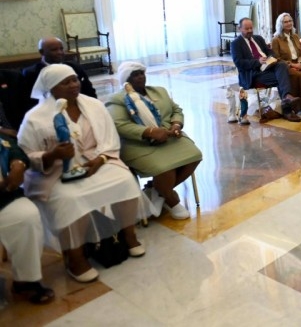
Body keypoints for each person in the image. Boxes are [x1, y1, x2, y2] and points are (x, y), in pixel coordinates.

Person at [17, 65, 148, 283]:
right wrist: (51, 155)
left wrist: (101, 159)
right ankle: (75, 258)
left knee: (124, 180)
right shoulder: (35, 118)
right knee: (69, 198)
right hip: (56, 171)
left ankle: (129, 236)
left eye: (75, 79)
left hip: (96, 161)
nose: (74, 85)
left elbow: (110, 139)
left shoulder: (94, 105)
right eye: (66, 82)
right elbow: (24, 155)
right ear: (52, 87)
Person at [105, 62, 203, 220]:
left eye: (141, 73)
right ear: (126, 79)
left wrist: (176, 124)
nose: (140, 77)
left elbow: (176, 110)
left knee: (195, 156)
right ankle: (171, 200)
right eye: (135, 75)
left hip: (170, 138)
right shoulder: (117, 99)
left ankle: (157, 191)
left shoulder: (159, 91)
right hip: (139, 144)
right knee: (165, 168)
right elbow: (119, 125)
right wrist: (149, 132)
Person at [0, 106, 55, 304]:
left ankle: (25, 280)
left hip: (3, 196)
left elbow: (10, 145)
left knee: (26, 216)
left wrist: (18, 163)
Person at [230, 17, 301, 123]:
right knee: (284, 78)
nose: (250, 31)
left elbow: (270, 52)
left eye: (251, 28)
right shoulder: (236, 44)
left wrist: (270, 58)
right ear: (239, 29)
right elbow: (239, 63)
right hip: (253, 73)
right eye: (246, 29)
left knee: (282, 65)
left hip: (268, 67)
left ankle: (286, 99)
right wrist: (257, 62)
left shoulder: (258, 38)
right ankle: (287, 108)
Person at [21, 37, 97, 117]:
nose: (60, 52)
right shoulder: (31, 73)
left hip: (80, 110)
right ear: (42, 52)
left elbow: (89, 91)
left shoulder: (74, 67)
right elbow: (29, 101)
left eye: (61, 49)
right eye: (54, 50)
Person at [271, 13, 301, 109]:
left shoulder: (295, 36)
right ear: (280, 24)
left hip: (298, 63)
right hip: (285, 65)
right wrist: (291, 65)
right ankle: (296, 104)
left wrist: (300, 63)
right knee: (297, 75)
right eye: (285, 22)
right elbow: (276, 59)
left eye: (290, 21)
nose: (288, 23)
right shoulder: (276, 39)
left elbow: (300, 54)